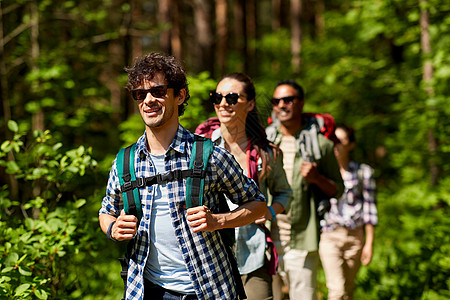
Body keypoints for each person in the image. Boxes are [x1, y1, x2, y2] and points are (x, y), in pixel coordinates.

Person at [99, 52, 267, 300]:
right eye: (140, 94)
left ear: (180, 95)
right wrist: (113, 228)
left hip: (210, 290)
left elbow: (259, 205)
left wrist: (218, 221)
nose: (148, 100)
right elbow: (106, 211)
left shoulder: (210, 155)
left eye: (158, 91)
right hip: (146, 291)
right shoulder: (125, 162)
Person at [196, 73, 292, 300]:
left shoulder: (267, 153)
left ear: (250, 104)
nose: (222, 104)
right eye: (217, 97)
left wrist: (268, 211)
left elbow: (285, 193)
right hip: (209, 254)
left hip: (253, 252)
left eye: (231, 98)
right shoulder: (200, 147)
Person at [266, 79, 344, 300]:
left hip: (302, 239)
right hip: (265, 238)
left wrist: (317, 178)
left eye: (288, 99)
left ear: (301, 103)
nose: (282, 105)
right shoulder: (264, 143)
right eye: (276, 101)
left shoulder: (321, 145)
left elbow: (337, 189)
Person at [319, 124, 378, 300]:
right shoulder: (323, 172)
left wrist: (369, 243)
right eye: (333, 140)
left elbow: (370, 209)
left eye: (341, 141)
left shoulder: (363, 172)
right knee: (337, 290)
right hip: (329, 235)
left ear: (350, 145)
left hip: (355, 238)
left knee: (348, 289)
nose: (336, 145)